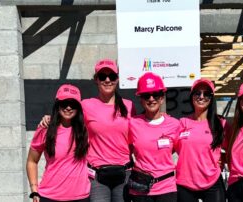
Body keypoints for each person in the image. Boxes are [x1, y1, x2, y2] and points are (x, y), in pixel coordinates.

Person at [39, 59, 136, 202]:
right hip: (97, 177)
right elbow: (67, 115)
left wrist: (160, 116)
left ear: (117, 79)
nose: (107, 80)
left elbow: (138, 134)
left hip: (124, 174)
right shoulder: (86, 105)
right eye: (102, 76)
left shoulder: (129, 106)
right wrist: (49, 118)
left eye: (112, 76)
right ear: (96, 79)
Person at [27, 84, 90, 202]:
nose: (68, 107)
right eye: (64, 103)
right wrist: (34, 190)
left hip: (81, 197)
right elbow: (32, 161)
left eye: (73, 104)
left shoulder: (86, 128)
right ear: (57, 105)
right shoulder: (45, 128)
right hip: (50, 196)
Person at [127, 72, 180, 202]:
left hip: (167, 189)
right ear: (141, 99)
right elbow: (126, 148)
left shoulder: (174, 124)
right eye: (146, 96)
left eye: (155, 95)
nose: (151, 99)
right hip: (141, 189)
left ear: (162, 98)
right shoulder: (132, 123)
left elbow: (178, 149)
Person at [175, 78, 229, 202]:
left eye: (206, 94)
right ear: (191, 96)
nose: (201, 96)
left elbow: (235, 150)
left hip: (212, 181)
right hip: (185, 183)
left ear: (211, 98)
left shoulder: (221, 124)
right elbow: (167, 149)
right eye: (197, 93)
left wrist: (223, 159)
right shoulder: (182, 123)